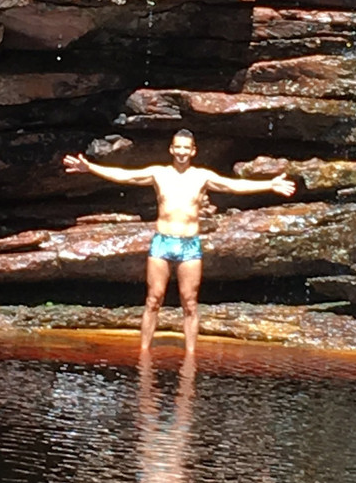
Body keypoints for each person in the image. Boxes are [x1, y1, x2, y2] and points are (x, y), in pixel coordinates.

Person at [63, 129, 296, 355]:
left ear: (193, 151)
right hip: (162, 242)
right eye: (178, 147)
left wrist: (269, 185)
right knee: (154, 299)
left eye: (187, 148)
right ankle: (143, 353)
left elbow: (232, 185)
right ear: (171, 149)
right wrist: (90, 168)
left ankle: (190, 357)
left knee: (190, 302)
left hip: (189, 245)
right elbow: (126, 175)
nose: (182, 152)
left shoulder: (201, 176)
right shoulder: (159, 173)